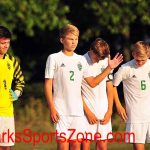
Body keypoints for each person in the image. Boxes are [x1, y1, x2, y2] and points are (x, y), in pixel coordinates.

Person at [44, 24, 123, 150]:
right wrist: (52, 108)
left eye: (76, 39)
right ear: (62, 40)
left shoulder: (81, 60)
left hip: (78, 111)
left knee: (76, 145)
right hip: (61, 110)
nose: (74, 42)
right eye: (70, 39)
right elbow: (48, 85)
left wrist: (109, 68)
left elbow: (92, 82)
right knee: (63, 146)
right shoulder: (53, 58)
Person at [81, 38, 118, 150]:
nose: (98, 60)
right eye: (97, 57)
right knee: (85, 144)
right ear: (91, 50)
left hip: (103, 109)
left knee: (102, 145)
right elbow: (83, 88)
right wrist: (87, 111)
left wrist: (109, 110)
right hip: (86, 110)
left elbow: (109, 86)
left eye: (101, 58)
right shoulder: (81, 61)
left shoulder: (106, 60)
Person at [113, 41, 150, 150]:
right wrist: (118, 105)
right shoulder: (125, 68)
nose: (140, 63)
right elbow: (112, 85)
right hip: (135, 115)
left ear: (148, 55)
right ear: (133, 54)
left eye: (143, 60)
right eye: (138, 60)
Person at [0, 26, 25, 150]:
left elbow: (20, 80)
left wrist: (17, 92)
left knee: (6, 147)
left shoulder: (12, 61)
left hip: (7, 112)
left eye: (8, 43)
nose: (6, 46)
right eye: (2, 43)